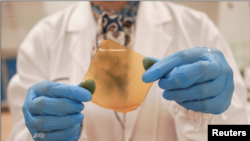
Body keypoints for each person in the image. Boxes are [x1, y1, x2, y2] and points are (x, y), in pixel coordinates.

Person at [7, 1, 248, 141]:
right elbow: (19, 135)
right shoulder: (43, 39)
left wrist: (216, 116)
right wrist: (40, 135)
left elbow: (237, 134)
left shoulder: (197, 27)